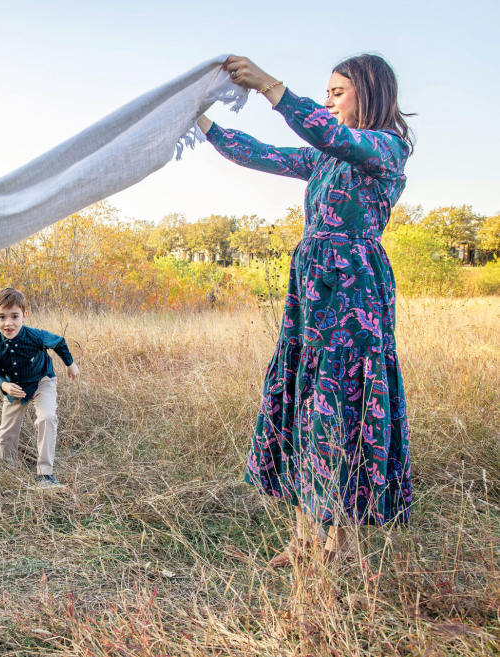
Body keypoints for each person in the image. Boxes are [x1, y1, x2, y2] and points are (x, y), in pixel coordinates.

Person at [196, 54, 413, 566]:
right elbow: (257, 153)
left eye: (338, 92)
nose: (328, 100)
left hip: (353, 291)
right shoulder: (326, 157)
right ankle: (303, 540)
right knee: (307, 401)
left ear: (370, 92)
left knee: (343, 405)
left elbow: (330, 133)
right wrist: (199, 121)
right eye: (327, 92)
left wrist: (269, 86)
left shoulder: (384, 147)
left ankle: (343, 545)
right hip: (311, 293)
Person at [0, 288, 80, 488]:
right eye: (2, 317)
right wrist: (5, 385)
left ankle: (45, 475)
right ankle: (9, 469)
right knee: (6, 431)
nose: (8, 323)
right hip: (15, 388)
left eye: (14, 316)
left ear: (24, 316)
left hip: (42, 381)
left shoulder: (35, 336)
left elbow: (59, 343)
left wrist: (70, 365)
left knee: (47, 418)